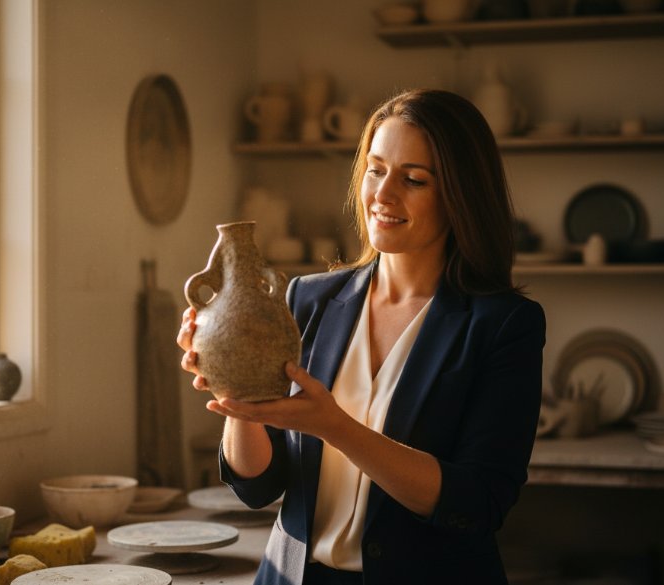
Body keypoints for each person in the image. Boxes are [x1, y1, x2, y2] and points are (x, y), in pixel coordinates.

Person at [178, 88, 545, 585]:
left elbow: (477, 504)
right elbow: (257, 486)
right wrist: (236, 390)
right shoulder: (306, 299)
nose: (383, 195)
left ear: (461, 196)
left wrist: (335, 427)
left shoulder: (504, 324)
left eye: (413, 179)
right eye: (375, 170)